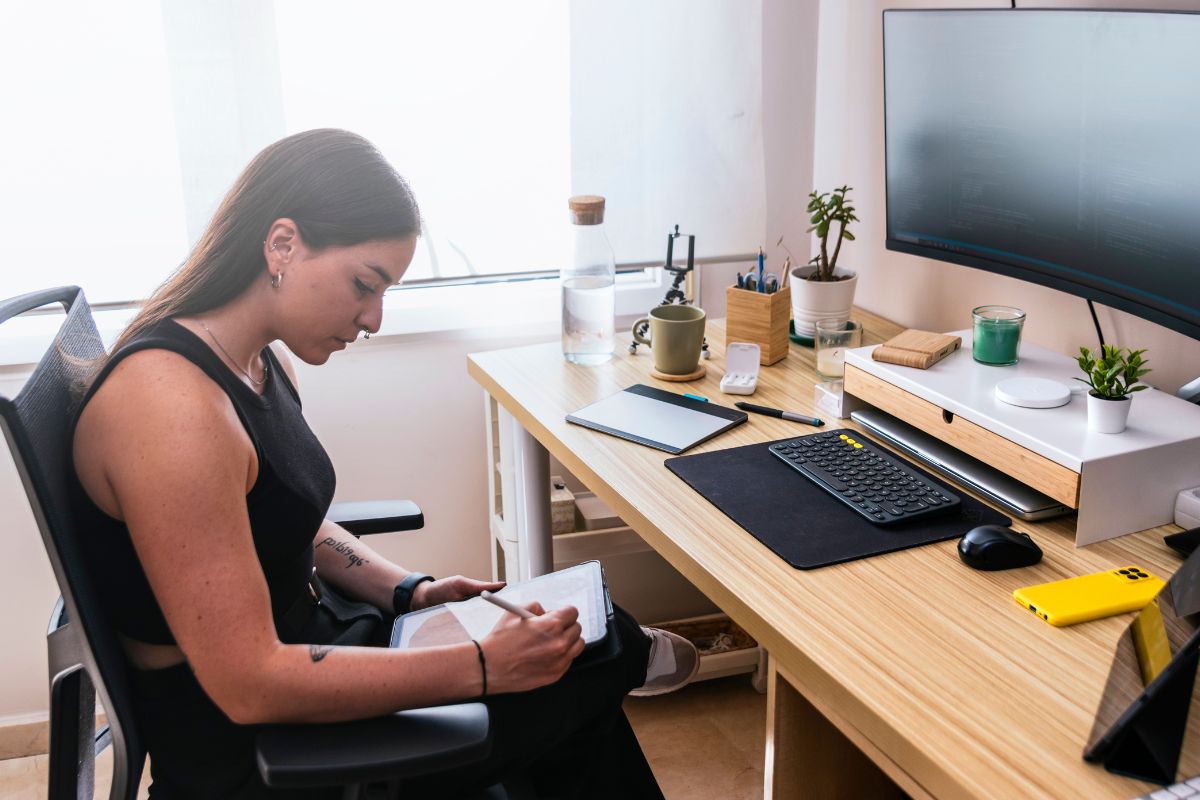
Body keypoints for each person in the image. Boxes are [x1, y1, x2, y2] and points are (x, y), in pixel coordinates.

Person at [69, 129, 699, 799]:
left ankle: (615, 656)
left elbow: (286, 524)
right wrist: (482, 666)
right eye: (364, 285)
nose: (373, 318)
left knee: (566, 662)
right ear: (282, 244)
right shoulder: (172, 411)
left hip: (320, 651)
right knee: (587, 664)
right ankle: (628, 652)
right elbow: (248, 684)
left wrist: (412, 592)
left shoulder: (251, 362)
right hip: (256, 746)